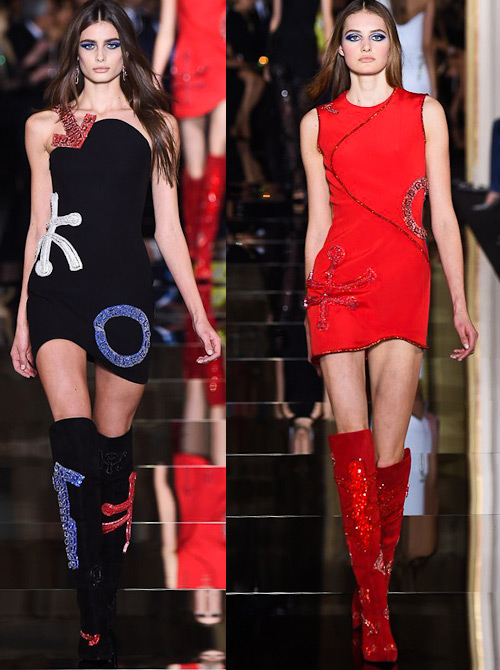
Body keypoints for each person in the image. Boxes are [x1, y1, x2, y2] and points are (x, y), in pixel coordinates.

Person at [9, 0, 221, 666]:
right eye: (89, 46)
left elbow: (168, 228)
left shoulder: (156, 126)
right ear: (75, 53)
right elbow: (37, 223)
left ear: (127, 52)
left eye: (111, 45)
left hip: (123, 301)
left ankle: (107, 573)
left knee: (110, 455)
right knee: (72, 451)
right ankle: (92, 614)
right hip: (57, 293)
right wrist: (22, 314)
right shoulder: (47, 126)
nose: (100, 57)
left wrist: (198, 311)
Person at [300, 0, 477, 663]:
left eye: (377, 35)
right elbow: (317, 221)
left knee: (387, 454)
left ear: (391, 46)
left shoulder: (424, 113)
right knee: (351, 448)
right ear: (339, 47)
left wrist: (459, 301)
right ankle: (374, 606)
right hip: (336, 286)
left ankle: (372, 583)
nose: (367, 45)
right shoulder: (317, 123)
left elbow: (443, 214)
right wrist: (309, 304)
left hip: (403, 282)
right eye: (355, 36)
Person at [152, 0, 226, 282]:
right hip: (190, 68)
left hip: (220, 63)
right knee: (194, 168)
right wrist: (155, 77)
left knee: (217, 157)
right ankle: (192, 246)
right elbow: (166, 29)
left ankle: (204, 252)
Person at [378, 0, 437, 96]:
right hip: (419, 76)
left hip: (390, 76)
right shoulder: (427, 2)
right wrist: (434, 88)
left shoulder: (380, 2)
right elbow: (427, 47)